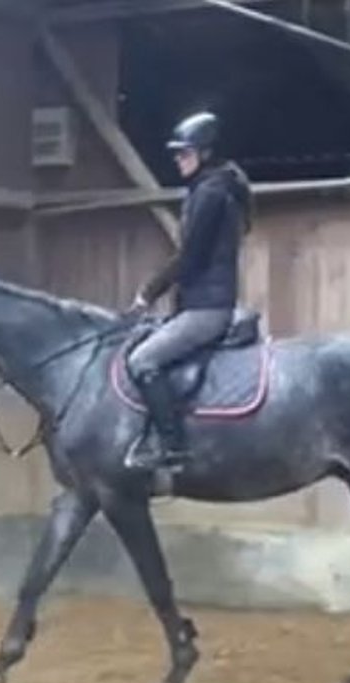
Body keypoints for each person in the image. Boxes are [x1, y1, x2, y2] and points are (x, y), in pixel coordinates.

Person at [126, 110, 254, 475]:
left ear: (206, 153)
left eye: (185, 153)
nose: (178, 160)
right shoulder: (211, 189)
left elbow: (191, 257)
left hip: (207, 308)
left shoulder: (211, 193)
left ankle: (173, 446)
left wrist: (146, 293)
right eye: (177, 154)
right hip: (200, 304)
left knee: (143, 362)